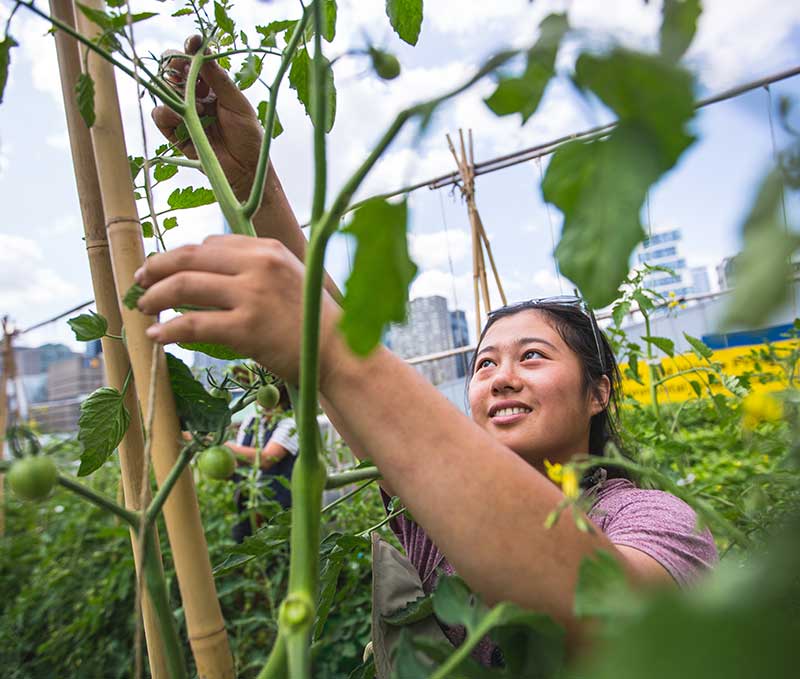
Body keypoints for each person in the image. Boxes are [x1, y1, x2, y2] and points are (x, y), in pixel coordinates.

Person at [139, 41, 717, 657]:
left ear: (598, 391)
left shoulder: (657, 522)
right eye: (485, 363)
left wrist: (334, 353)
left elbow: (614, 613)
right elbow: (347, 356)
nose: (501, 377)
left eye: (533, 357)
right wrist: (249, 176)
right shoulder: (426, 505)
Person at [225, 384, 297, 543]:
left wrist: (219, 445)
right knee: (243, 546)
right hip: (248, 505)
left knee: (277, 554)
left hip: (278, 509)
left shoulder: (291, 423)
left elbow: (266, 459)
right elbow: (240, 457)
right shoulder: (252, 419)